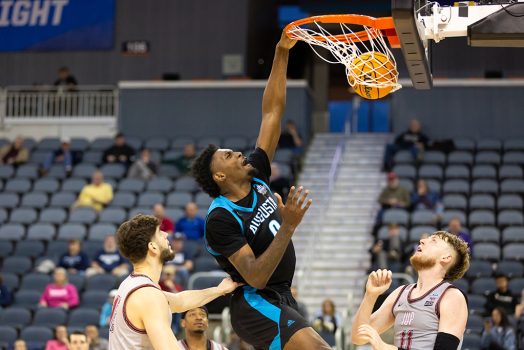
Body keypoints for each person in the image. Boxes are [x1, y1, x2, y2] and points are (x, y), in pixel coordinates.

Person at [192, 32, 329, 350]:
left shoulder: (256, 174)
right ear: (221, 175)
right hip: (253, 302)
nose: (238, 153)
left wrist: (281, 52)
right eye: (228, 155)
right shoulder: (221, 218)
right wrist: (289, 225)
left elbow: (272, 114)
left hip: (282, 294)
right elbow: (254, 275)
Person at [109, 214, 240, 349]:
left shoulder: (131, 284)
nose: (166, 234)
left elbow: (180, 301)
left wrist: (219, 290)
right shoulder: (148, 296)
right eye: (159, 233)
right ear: (153, 247)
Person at [351, 231, 470, 350]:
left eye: (433, 241)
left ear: (446, 257)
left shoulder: (452, 296)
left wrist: (385, 348)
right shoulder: (400, 293)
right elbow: (358, 337)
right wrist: (370, 295)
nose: (422, 241)